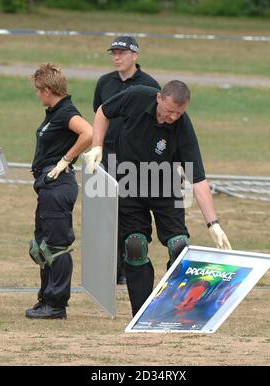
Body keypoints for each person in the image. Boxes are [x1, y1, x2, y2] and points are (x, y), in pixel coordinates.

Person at [84, 80, 231, 317]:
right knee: (135, 245)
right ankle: (141, 314)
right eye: (170, 110)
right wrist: (97, 146)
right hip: (128, 184)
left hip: (166, 187)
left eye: (179, 113)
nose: (173, 117)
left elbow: (198, 178)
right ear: (159, 98)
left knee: (179, 246)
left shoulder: (182, 126)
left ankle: (175, 309)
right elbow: (103, 111)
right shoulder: (135, 97)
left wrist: (213, 224)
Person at [26, 63, 92, 319]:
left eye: (38, 90)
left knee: (56, 246)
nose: (37, 95)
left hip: (58, 185)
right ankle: (46, 299)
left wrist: (66, 159)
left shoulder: (66, 112)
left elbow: (88, 133)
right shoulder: (54, 112)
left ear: (47, 89)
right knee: (42, 246)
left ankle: (56, 305)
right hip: (47, 185)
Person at [93, 35, 161, 285]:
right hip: (107, 154)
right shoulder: (104, 83)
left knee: (128, 212)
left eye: (122, 53)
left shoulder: (150, 85)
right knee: (105, 212)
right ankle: (107, 266)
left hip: (134, 159)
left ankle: (125, 266)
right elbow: (98, 115)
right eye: (113, 53)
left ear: (135, 55)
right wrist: (95, 148)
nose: (117, 57)